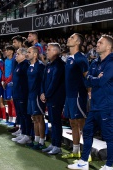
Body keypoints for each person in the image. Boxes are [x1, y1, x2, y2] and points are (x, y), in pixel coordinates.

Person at [68, 35, 113, 170]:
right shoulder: (94, 62)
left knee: (109, 137)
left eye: (101, 42)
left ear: (109, 47)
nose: (97, 44)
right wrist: (93, 78)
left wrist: (91, 77)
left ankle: (109, 165)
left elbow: (101, 81)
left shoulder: (111, 63)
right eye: (97, 42)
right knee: (87, 132)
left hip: (107, 106)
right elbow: (87, 81)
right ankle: (83, 162)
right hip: (94, 106)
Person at [62, 33, 89, 159]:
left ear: (78, 42)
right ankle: (76, 150)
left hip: (78, 95)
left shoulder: (81, 58)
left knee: (81, 123)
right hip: (69, 95)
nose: (69, 38)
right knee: (72, 122)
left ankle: (86, 152)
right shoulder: (69, 58)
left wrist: (89, 93)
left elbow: (87, 77)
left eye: (72, 37)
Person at [40, 43, 65, 154]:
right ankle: (53, 143)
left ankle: (57, 146)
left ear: (55, 51)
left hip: (56, 98)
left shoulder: (60, 65)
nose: (46, 52)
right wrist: (42, 92)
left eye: (49, 50)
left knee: (56, 122)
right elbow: (43, 80)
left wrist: (46, 94)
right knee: (52, 121)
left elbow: (55, 82)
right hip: (49, 97)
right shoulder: (49, 65)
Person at [26, 46, 46, 149]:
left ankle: (42, 141)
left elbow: (43, 80)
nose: (27, 54)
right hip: (30, 95)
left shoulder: (40, 66)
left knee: (39, 117)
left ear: (35, 54)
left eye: (29, 52)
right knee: (34, 118)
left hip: (38, 95)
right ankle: (36, 140)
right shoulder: (30, 66)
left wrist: (42, 92)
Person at [11, 48, 32, 144]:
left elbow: (26, 81)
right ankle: (23, 132)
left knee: (25, 115)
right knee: (20, 114)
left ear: (24, 55)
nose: (16, 55)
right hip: (17, 93)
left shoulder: (25, 65)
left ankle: (27, 135)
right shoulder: (18, 65)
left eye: (18, 54)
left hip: (23, 94)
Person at [2, 45, 16, 126]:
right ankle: (10, 118)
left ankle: (13, 120)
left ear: (11, 51)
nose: (5, 52)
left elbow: (12, 72)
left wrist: (7, 81)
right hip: (6, 83)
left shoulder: (14, 60)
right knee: (8, 101)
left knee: (12, 101)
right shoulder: (6, 60)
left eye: (7, 50)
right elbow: (4, 71)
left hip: (11, 83)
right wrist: (3, 80)